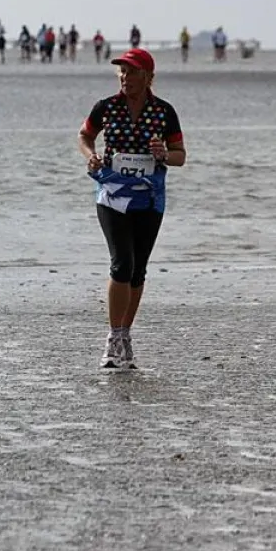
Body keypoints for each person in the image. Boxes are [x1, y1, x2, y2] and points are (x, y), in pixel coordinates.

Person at [78, 47, 185, 369]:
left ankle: (125, 334)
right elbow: (84, 136)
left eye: (132, 72)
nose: (125, 77)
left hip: (150, 199)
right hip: (112, 195)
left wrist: (163, 153)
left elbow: (180, 156)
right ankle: (112, 339)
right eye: (122, 72)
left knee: (137, 270)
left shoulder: (164, 112)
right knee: (121, 264)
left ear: (148, 77)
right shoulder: (106, 107)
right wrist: (91, 157)